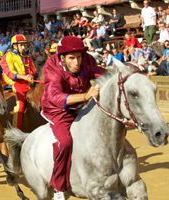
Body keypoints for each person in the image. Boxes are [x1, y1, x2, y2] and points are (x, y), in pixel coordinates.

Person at [40, 36, 106, 200]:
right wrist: (86, 95)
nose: (77, 62)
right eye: (71, 58)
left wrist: (127, 73)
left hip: (83, 102)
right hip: (58, 109)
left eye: (79, 57)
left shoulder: (88, 60)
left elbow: (103, 74)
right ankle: (58, 187)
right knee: (65, 142)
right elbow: (55, 97)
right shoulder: (52, 66)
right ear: (62, 57)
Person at [1, 34, 36, 130]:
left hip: (28, 84)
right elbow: (10, 73)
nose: (24, 47)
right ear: (14, 46)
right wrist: (24, 77)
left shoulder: (27, 57)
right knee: (20, 106)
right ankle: (16, 131)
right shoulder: (8, 56)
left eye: (24, 45)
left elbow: (33, 69)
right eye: (21, 45)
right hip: (16, 84)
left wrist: (31, 75)